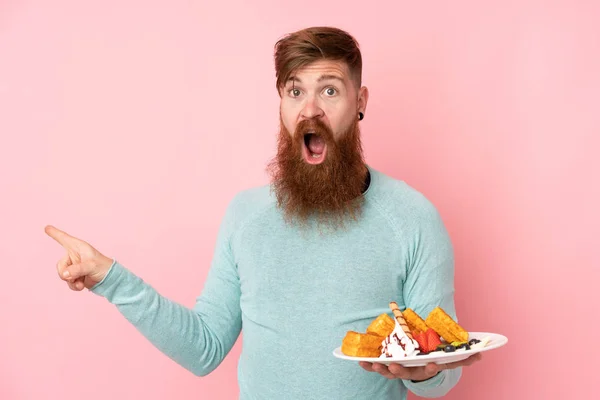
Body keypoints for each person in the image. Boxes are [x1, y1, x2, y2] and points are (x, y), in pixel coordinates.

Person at [45, 26, 481, 399]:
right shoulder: (245, 216)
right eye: (295, 91)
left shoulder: (412, 218)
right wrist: (112, 279)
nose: (310, 109)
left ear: (360, 101)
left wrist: (427, 373)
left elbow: (443, 368)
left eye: (329, 90)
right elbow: (204, 348)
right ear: (281, 104)